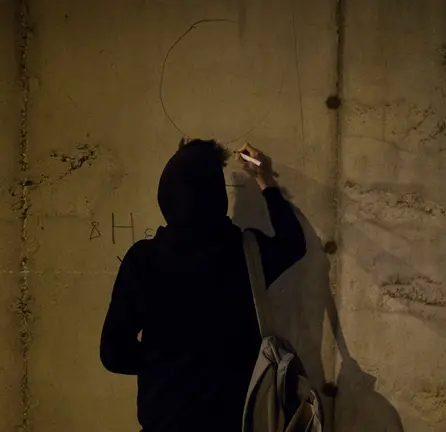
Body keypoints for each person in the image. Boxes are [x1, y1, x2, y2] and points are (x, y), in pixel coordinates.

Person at [100, 140, 306, 431]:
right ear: (217, 196)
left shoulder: (144, 260)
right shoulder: (246, 254)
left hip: (165, 421)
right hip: (236, 421)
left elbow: (113, 354)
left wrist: (165, 362)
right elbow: (293, 244)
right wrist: (264, 177)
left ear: (166, 196)